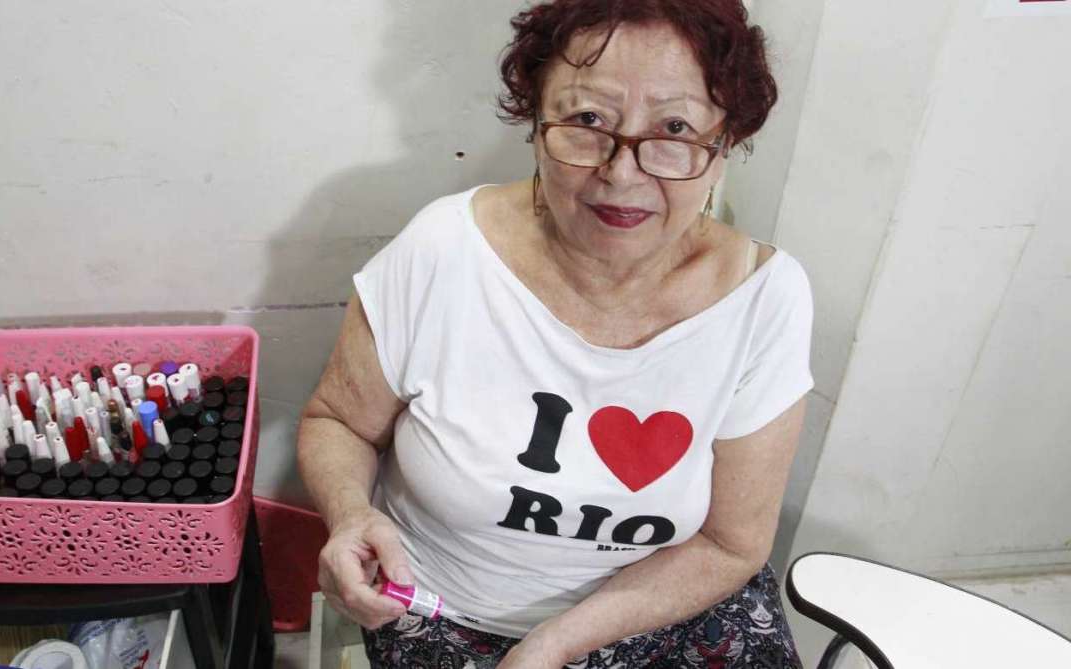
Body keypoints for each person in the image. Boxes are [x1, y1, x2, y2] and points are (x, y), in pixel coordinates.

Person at [296, 1, 813, 666]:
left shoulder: (764, 300)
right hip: (445, 611)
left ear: (722, 148)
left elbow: (731, 544)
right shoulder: (443, 252)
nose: (622, 173)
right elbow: (337, 420)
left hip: (668, 609)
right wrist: (348, 514)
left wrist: (554, 645)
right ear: (536, 125)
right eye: (587, 120)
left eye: (675, 128)